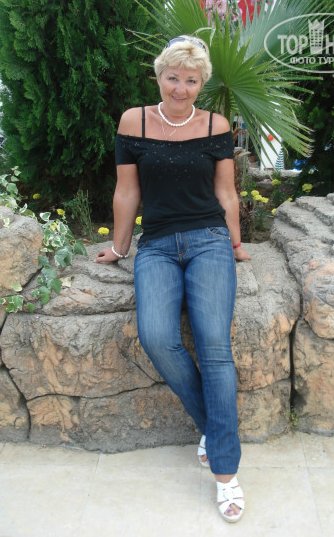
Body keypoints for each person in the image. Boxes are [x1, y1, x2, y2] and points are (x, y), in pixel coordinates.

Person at [96, 35, 251, 523]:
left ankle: (225, 473)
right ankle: (214, 425)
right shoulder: (133, 121)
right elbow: (127, 192)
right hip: (158, 245)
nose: (181, 88)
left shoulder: (216, 125)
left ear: (201, 84)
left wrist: (236, 243)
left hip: (209, 240)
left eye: (191, 80)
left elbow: (226, 192)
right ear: (158, 76)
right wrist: (120, 247)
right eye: (173, 78)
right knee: (157, 337)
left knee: (214, 347)